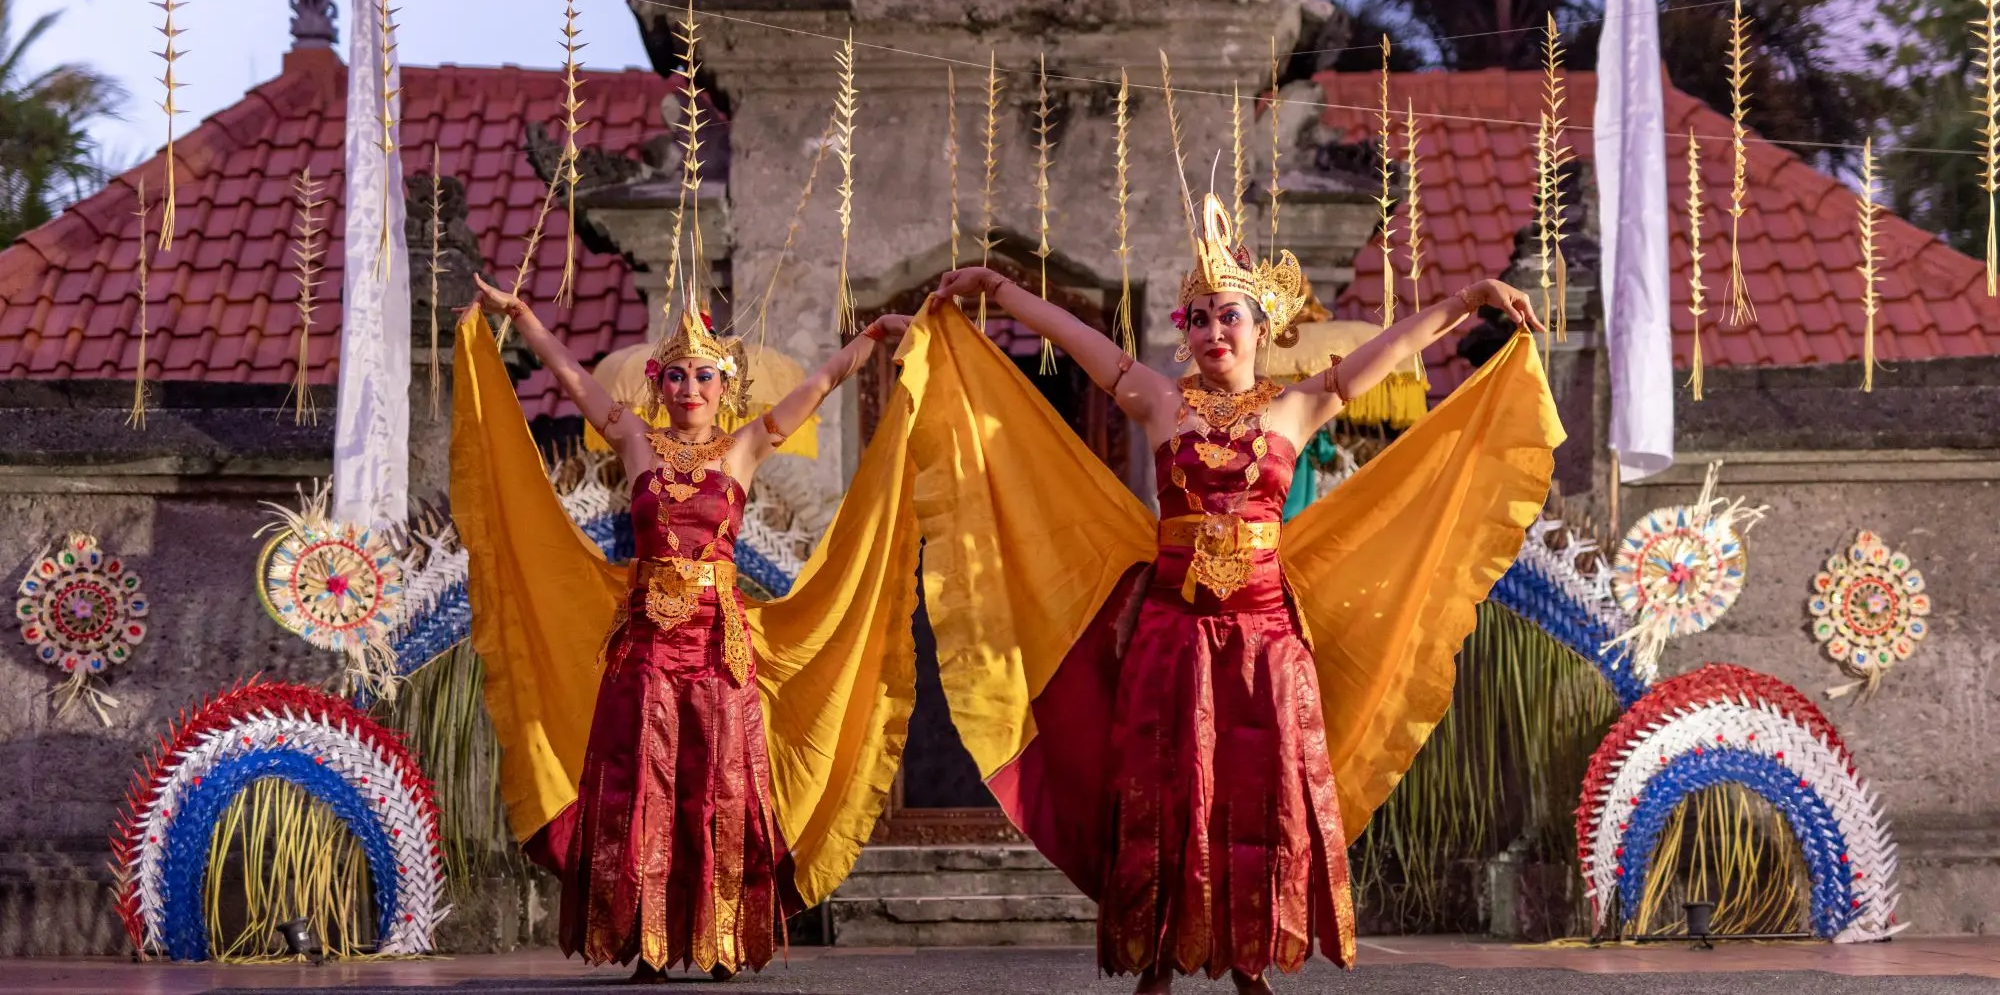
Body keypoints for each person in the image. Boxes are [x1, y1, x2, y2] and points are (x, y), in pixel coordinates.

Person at [929, 194, 1545, 994]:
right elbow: (1076, 340)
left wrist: (1468, 301)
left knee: (1259, 796)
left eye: (1230, 317)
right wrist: (997, 289)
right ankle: (1159, 956)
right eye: (1199, 318)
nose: (1213, 333)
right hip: (1172, 632)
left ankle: (1247, 956)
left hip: (1263, 636)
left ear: (1263, 328)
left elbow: (1389, 349)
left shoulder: (1299, 405)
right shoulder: (1157, 400)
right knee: (1165, 790)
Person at [465, 273, 908, 981]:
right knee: (644, 783)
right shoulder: (637, 442)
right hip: (643, 641)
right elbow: (575, 380)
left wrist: (872, 338)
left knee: (719, 785)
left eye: (704, 375)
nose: (690, 387)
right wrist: (522, 317)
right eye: (676, 375)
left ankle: (721, 938)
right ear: (659, 384)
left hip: (715, 643)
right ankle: (649, 941)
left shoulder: (744, 449)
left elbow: (821, 383)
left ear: (723, 387)